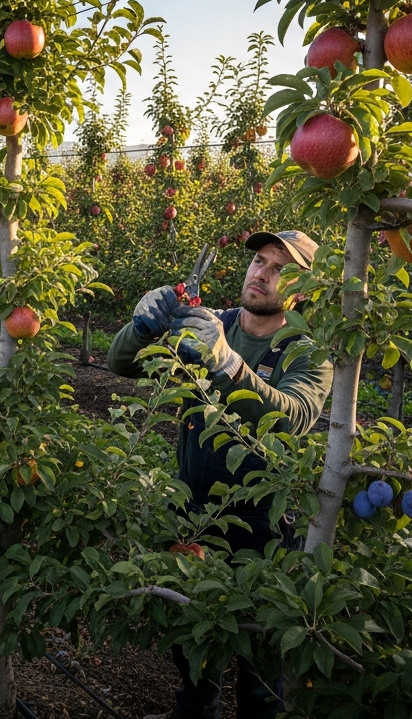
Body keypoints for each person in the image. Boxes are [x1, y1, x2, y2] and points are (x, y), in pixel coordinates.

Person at [106, 230, 333, 719]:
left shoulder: (307, 351)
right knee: (194, 638)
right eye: (259, 260)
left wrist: (227, 360)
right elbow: (119, 363)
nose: (261, 272)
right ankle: (193, 712)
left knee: (260, 665)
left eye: (279, 268)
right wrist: (143, 326)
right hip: (194, 511)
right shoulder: (212, 323)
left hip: (266, 531)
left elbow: (294, 415)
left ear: (301, 290)